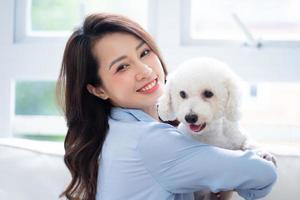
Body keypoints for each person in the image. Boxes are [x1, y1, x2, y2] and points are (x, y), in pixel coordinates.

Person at [56, 13, 277, 200]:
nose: (145, 70)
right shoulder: (151, 141)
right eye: (122, 67)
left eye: (144, 53)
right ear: (98, 89)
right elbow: (263, 175)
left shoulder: (116, 128)